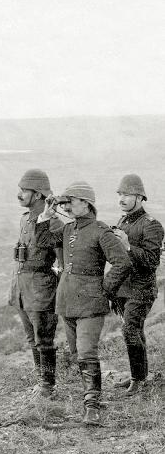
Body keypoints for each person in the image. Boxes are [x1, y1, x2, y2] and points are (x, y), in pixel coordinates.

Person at [38, 181, 132, 425]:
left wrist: (105, 289)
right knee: (77, 353)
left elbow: (122, 263)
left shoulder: (101, 231)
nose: (66, 206)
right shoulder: (70, 229)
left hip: (90, 303)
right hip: (67, 300)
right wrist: (45, 216)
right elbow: (44, 241)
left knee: (87, 352)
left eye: (71, 201)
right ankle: (93, 398)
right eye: (65, 202)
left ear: (86, 203)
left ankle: (91, 406)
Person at [9, 169, 63, 397]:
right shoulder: (25, 218)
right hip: (23, 289)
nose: (19, 194)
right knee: (32, 339)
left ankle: (48, 385)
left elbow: (61, 262)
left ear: (39, 194)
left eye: (24, 191)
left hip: (42, 291)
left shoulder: (54, 223)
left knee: (44, 340)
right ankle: (41, 380)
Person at [112, 174, 164, 396]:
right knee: (135, 330)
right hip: (125, 288)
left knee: (130, 329)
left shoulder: (151, 225)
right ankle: (139, 376)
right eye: (120, 194)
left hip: (142, 288)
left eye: (127, 194)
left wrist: (127, 246)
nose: (121, 199)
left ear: (140, 197)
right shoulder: (124, 221)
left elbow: (152, 261)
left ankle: (138, 380)